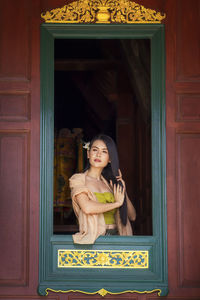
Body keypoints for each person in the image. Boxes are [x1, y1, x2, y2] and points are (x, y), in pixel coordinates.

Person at [69, 134, 136, 244]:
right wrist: (116, 203)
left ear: (110, 159)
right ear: (88, 154)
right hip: (95, 238)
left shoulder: (110, 184)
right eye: (95, 150)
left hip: (118, 237)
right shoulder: (78, 180)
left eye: (104, 151)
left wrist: (123, 190)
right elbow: (87, 208)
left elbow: (132, 216)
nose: (99, 154)